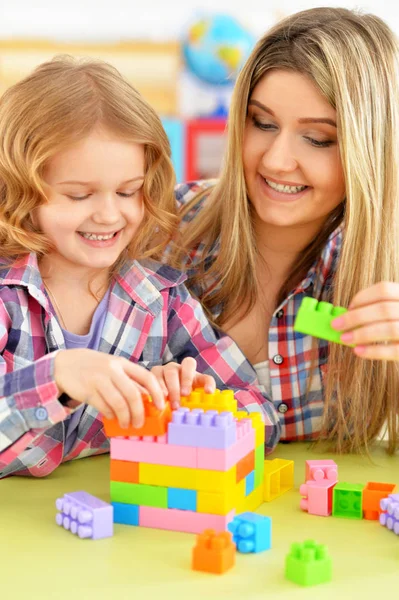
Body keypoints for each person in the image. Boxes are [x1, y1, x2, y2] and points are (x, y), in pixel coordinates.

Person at [0, 56, 276, 478]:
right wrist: (57, 377)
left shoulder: (162, 299)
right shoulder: (7, 298)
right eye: (78, 195)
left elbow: (261, 413)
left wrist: (197, 410)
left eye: (129, 191)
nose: (110, 215)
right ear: (21, 190)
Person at [167, 7, 399, 454]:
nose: (275, 160)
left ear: (370, 147)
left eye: (317, 139)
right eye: (263, 123)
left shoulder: (384, 271)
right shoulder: (168, 225)